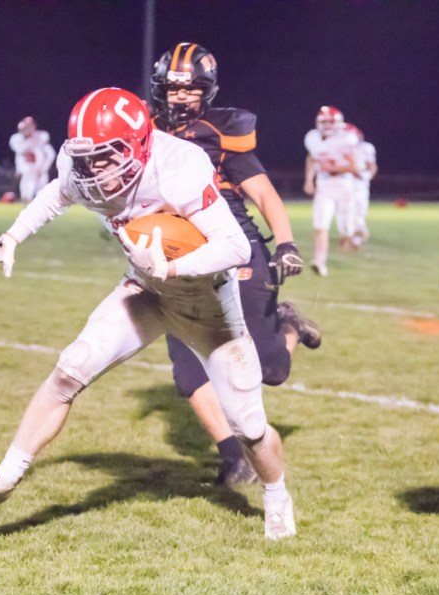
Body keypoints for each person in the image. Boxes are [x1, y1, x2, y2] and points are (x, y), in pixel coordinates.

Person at [0, 88, 297, 540]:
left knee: (248, 427)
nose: (94, 170)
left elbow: (233, 248)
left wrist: (171, 265)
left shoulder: (178, 167)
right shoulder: (84, 164)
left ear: (138, 144)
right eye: (87, 158)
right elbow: (56, 194)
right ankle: (6, 473)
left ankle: (276, 496)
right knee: (70, 368)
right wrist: (11, 238)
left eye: (105, 157)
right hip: (145, 290)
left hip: (207, 304)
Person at [150, 42, 320, 485]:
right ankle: (233, 457)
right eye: (172, 88)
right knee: (189, 370)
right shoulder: (145, 132)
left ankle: (289, 326)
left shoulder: (219, 132)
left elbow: (263, 193)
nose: (180, 97)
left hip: (235, 245)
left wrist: (285, 243)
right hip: (179, 254)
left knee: (271, 371)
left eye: (190, 89)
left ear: (207, 91)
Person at [303, 106, 360, 275]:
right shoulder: (312, 137)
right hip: (324, 185)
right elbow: (311, 158)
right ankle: (319, 261)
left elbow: (354, 166)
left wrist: (333, 168)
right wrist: (308, 180)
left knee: (346, 230)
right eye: (323, 121)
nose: (326, 125)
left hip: (343, 185)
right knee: (320, 225)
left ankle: (351, 236)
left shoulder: (346, 138)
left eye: (330, 122)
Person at [9, 116, 55, 202]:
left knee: (42, 188)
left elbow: (49, 153)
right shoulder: (15, 139)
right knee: (27, 187)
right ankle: (27, 203)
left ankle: (41, 206)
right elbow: (21, 151)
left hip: (40, 167)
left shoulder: (41, 136)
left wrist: (44, 168)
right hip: (27, 167)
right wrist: (29, 139)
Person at [346, 123, 377, 248]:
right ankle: (355, 236)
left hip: (360, 184)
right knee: (349, 211)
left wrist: (366, 177)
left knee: (359, 212)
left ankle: (358, 234)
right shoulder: (341, 147)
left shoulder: (366, 147)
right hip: (345, 183)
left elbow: (372, 166)